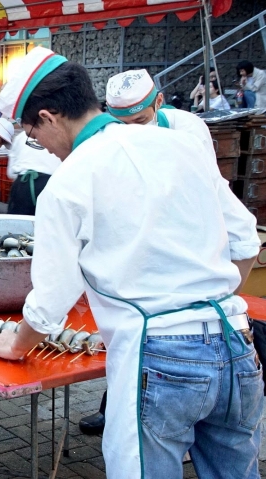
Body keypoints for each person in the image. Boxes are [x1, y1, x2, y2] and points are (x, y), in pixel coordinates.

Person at [0, 46, 261, 478]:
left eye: (33, 135)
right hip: (234, 341)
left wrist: (17, 344)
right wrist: (211, 301)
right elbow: (246, 241)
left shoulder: (69, 182)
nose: (39, 146)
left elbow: (54, 295)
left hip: (160, 355)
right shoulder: (182, 145)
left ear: (48, 117)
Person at [77, 68, 235, 436]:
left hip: (181, 234)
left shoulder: (187, 130)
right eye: (124, 124)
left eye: (141, 121)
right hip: (139, 236)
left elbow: (206, 195)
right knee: (129, 339)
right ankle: (114, 406)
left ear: (159, 102)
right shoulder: (107, 140)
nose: (133, 131)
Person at [6, 130, 61, 215]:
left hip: (23, 185)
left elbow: (10, 173)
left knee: (19, 224)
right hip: (50, 185)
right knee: (48, 224)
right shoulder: (59, 135)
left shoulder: (21, 136)